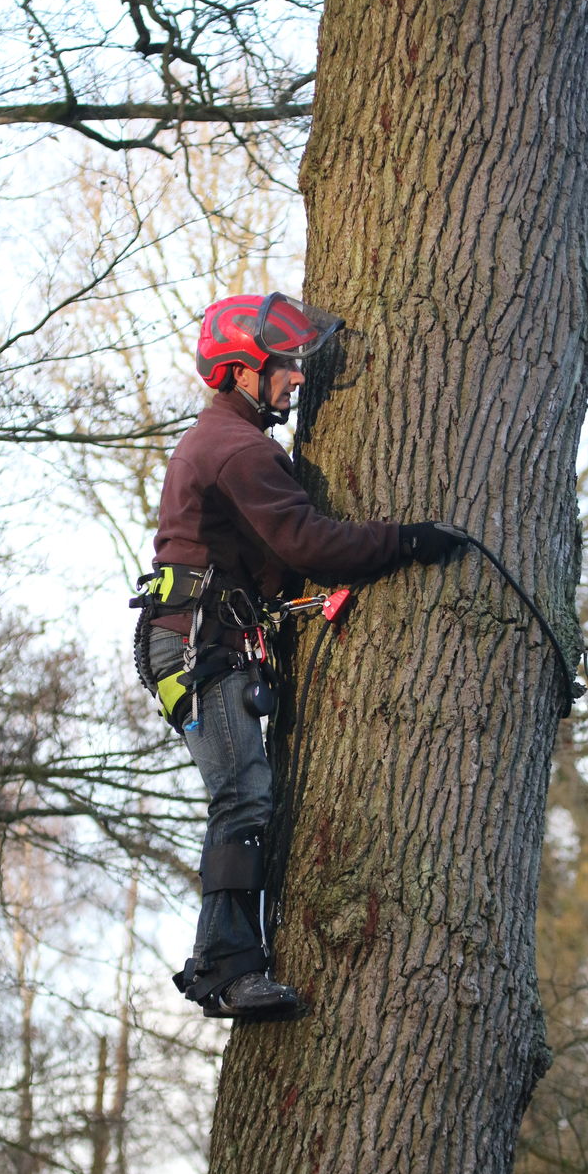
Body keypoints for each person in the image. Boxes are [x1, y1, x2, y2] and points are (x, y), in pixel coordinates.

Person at [135, 292, 460, 1020]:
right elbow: (307, 544)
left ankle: (226, 958)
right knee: (242, 794)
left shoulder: (228, 443)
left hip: (204, 641)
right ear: (242, 371)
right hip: (198, 646)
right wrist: (406, 540)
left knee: (248, 794)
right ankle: (226, 967)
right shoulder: (238, 448)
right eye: (283, 367)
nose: (296, 379)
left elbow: (276, 563)